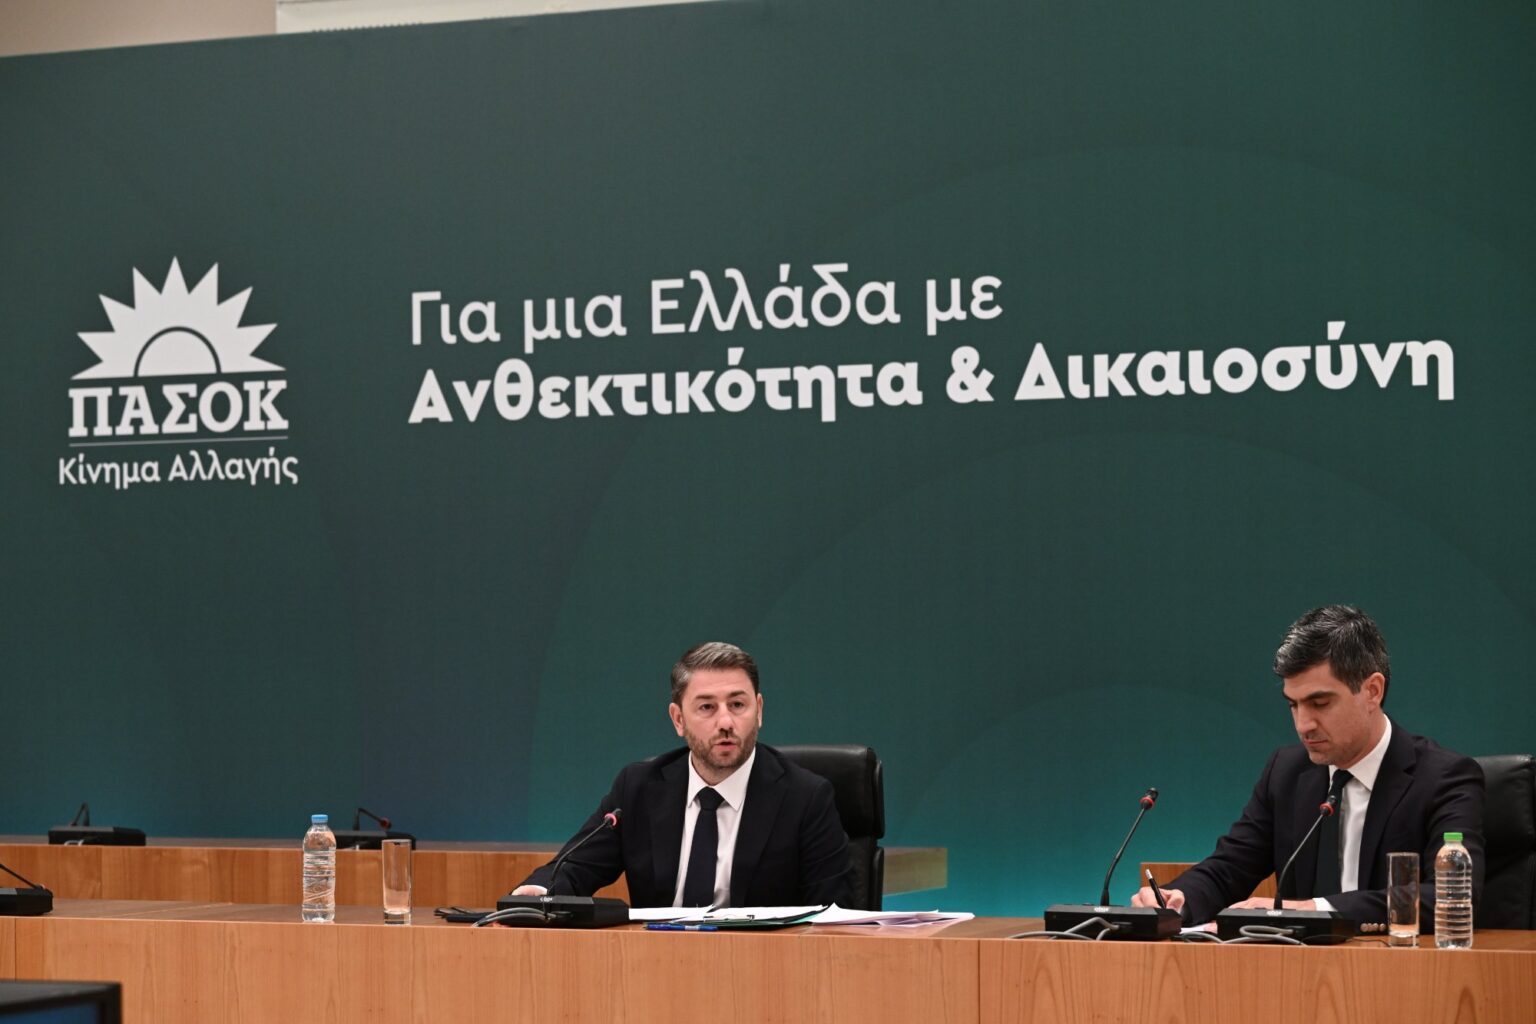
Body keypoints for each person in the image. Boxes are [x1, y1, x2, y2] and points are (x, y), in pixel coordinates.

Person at [1132, 605, 1485, 925]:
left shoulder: (1444, 778)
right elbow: (1230, 867)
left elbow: (1451, 896)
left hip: (1401, 968)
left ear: (1372, 691)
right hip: (1302, 971)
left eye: (1320, 703)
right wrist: (1178, 898)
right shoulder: (1285, 772)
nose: (1303, 725)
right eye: (1293, 705)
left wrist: (1313, 909)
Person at [513, 641, 853, 908]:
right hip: (656, 963)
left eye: (737, 705)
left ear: (759, 711)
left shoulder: (805, 797)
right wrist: (538, 892)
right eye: (707, 707)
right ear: (678, 719)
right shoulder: (639, 788)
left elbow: (835, 915)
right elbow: (573, 869)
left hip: (764, 968)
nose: (725, 722)